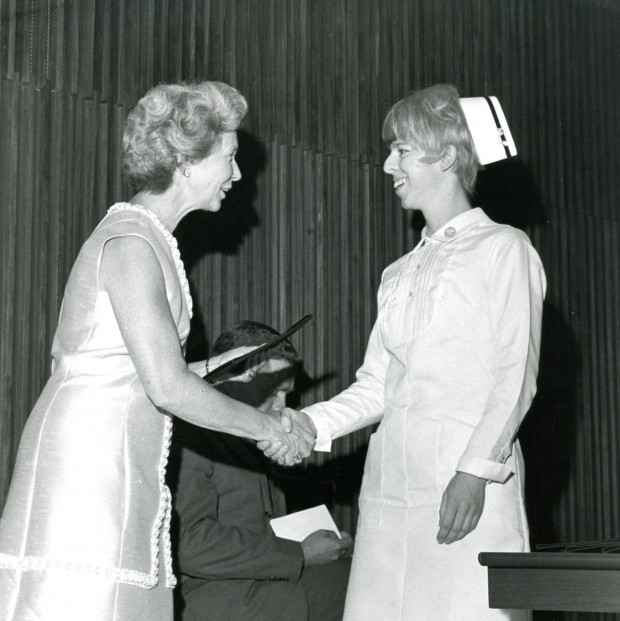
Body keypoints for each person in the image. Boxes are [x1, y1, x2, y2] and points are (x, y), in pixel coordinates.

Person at [0, 82, 312, 621]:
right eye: (231, 158)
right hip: (89, 464)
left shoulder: (149, 239)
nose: (238, 175)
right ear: (187, 164)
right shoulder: (131, 243)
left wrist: (229, 366)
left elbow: (139, 369)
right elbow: (165, 386)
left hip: (117, 454)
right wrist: (267, 429)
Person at [266, 84, 546, 620]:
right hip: (390, 489)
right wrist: (306, 424)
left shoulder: (505, 248)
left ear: (445, 154)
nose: (388, 164)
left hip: (467, 485)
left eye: (402, 150)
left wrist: (474, 474)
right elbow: (377, 385)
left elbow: (516, 377)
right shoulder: (397, 273)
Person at [170, 320, 353, 621]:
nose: (283, 407)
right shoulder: (191, 435)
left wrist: (319, 545)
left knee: (360, 575)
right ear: (234, 375)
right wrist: (301, 554)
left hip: (259, 585)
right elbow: (189, 544)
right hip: (209, 598)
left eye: (288, 394)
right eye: (274, 390)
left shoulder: (256, 440)